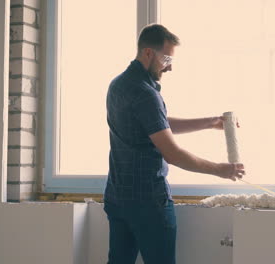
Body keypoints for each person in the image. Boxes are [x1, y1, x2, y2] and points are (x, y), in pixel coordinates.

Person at [104, 24, 245, 264]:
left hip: (118, 198)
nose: (169, 66)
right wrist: (222, 170)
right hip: (148, 201)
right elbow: (173, 154)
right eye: (167, 58)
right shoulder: (146, 93)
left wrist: (211, 122)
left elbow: (156, 125)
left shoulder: (118, 85)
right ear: (148, 53)